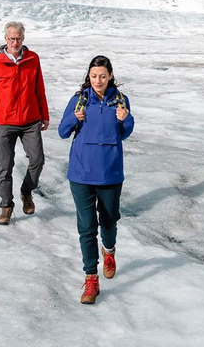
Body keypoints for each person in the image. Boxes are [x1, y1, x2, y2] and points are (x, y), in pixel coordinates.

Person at [58, 55, 134, 304]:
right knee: (87, 226)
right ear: (88, 77)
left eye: (102, 75)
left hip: (110, 172)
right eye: (93, 76)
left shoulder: (120, 101)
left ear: (110, 75)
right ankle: (91, 279)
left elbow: (123, 134)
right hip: (81, 173)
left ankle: (109, 251)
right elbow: (62, 131)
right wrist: (74, 118)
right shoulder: (79, 100)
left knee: (109, 221)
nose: (98, 80)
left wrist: (126, 119)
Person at [0, 21, 49, 225]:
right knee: (5, 166)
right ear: (5, 39)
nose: (15, 42)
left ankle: (26, 191)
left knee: (37, 160)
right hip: (5, 122)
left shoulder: (33, 59)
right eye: (11, 38)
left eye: (18, 38)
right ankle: (6, 206)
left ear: (23, 39)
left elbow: (39, 90)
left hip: (30, 120)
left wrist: (44, 115)